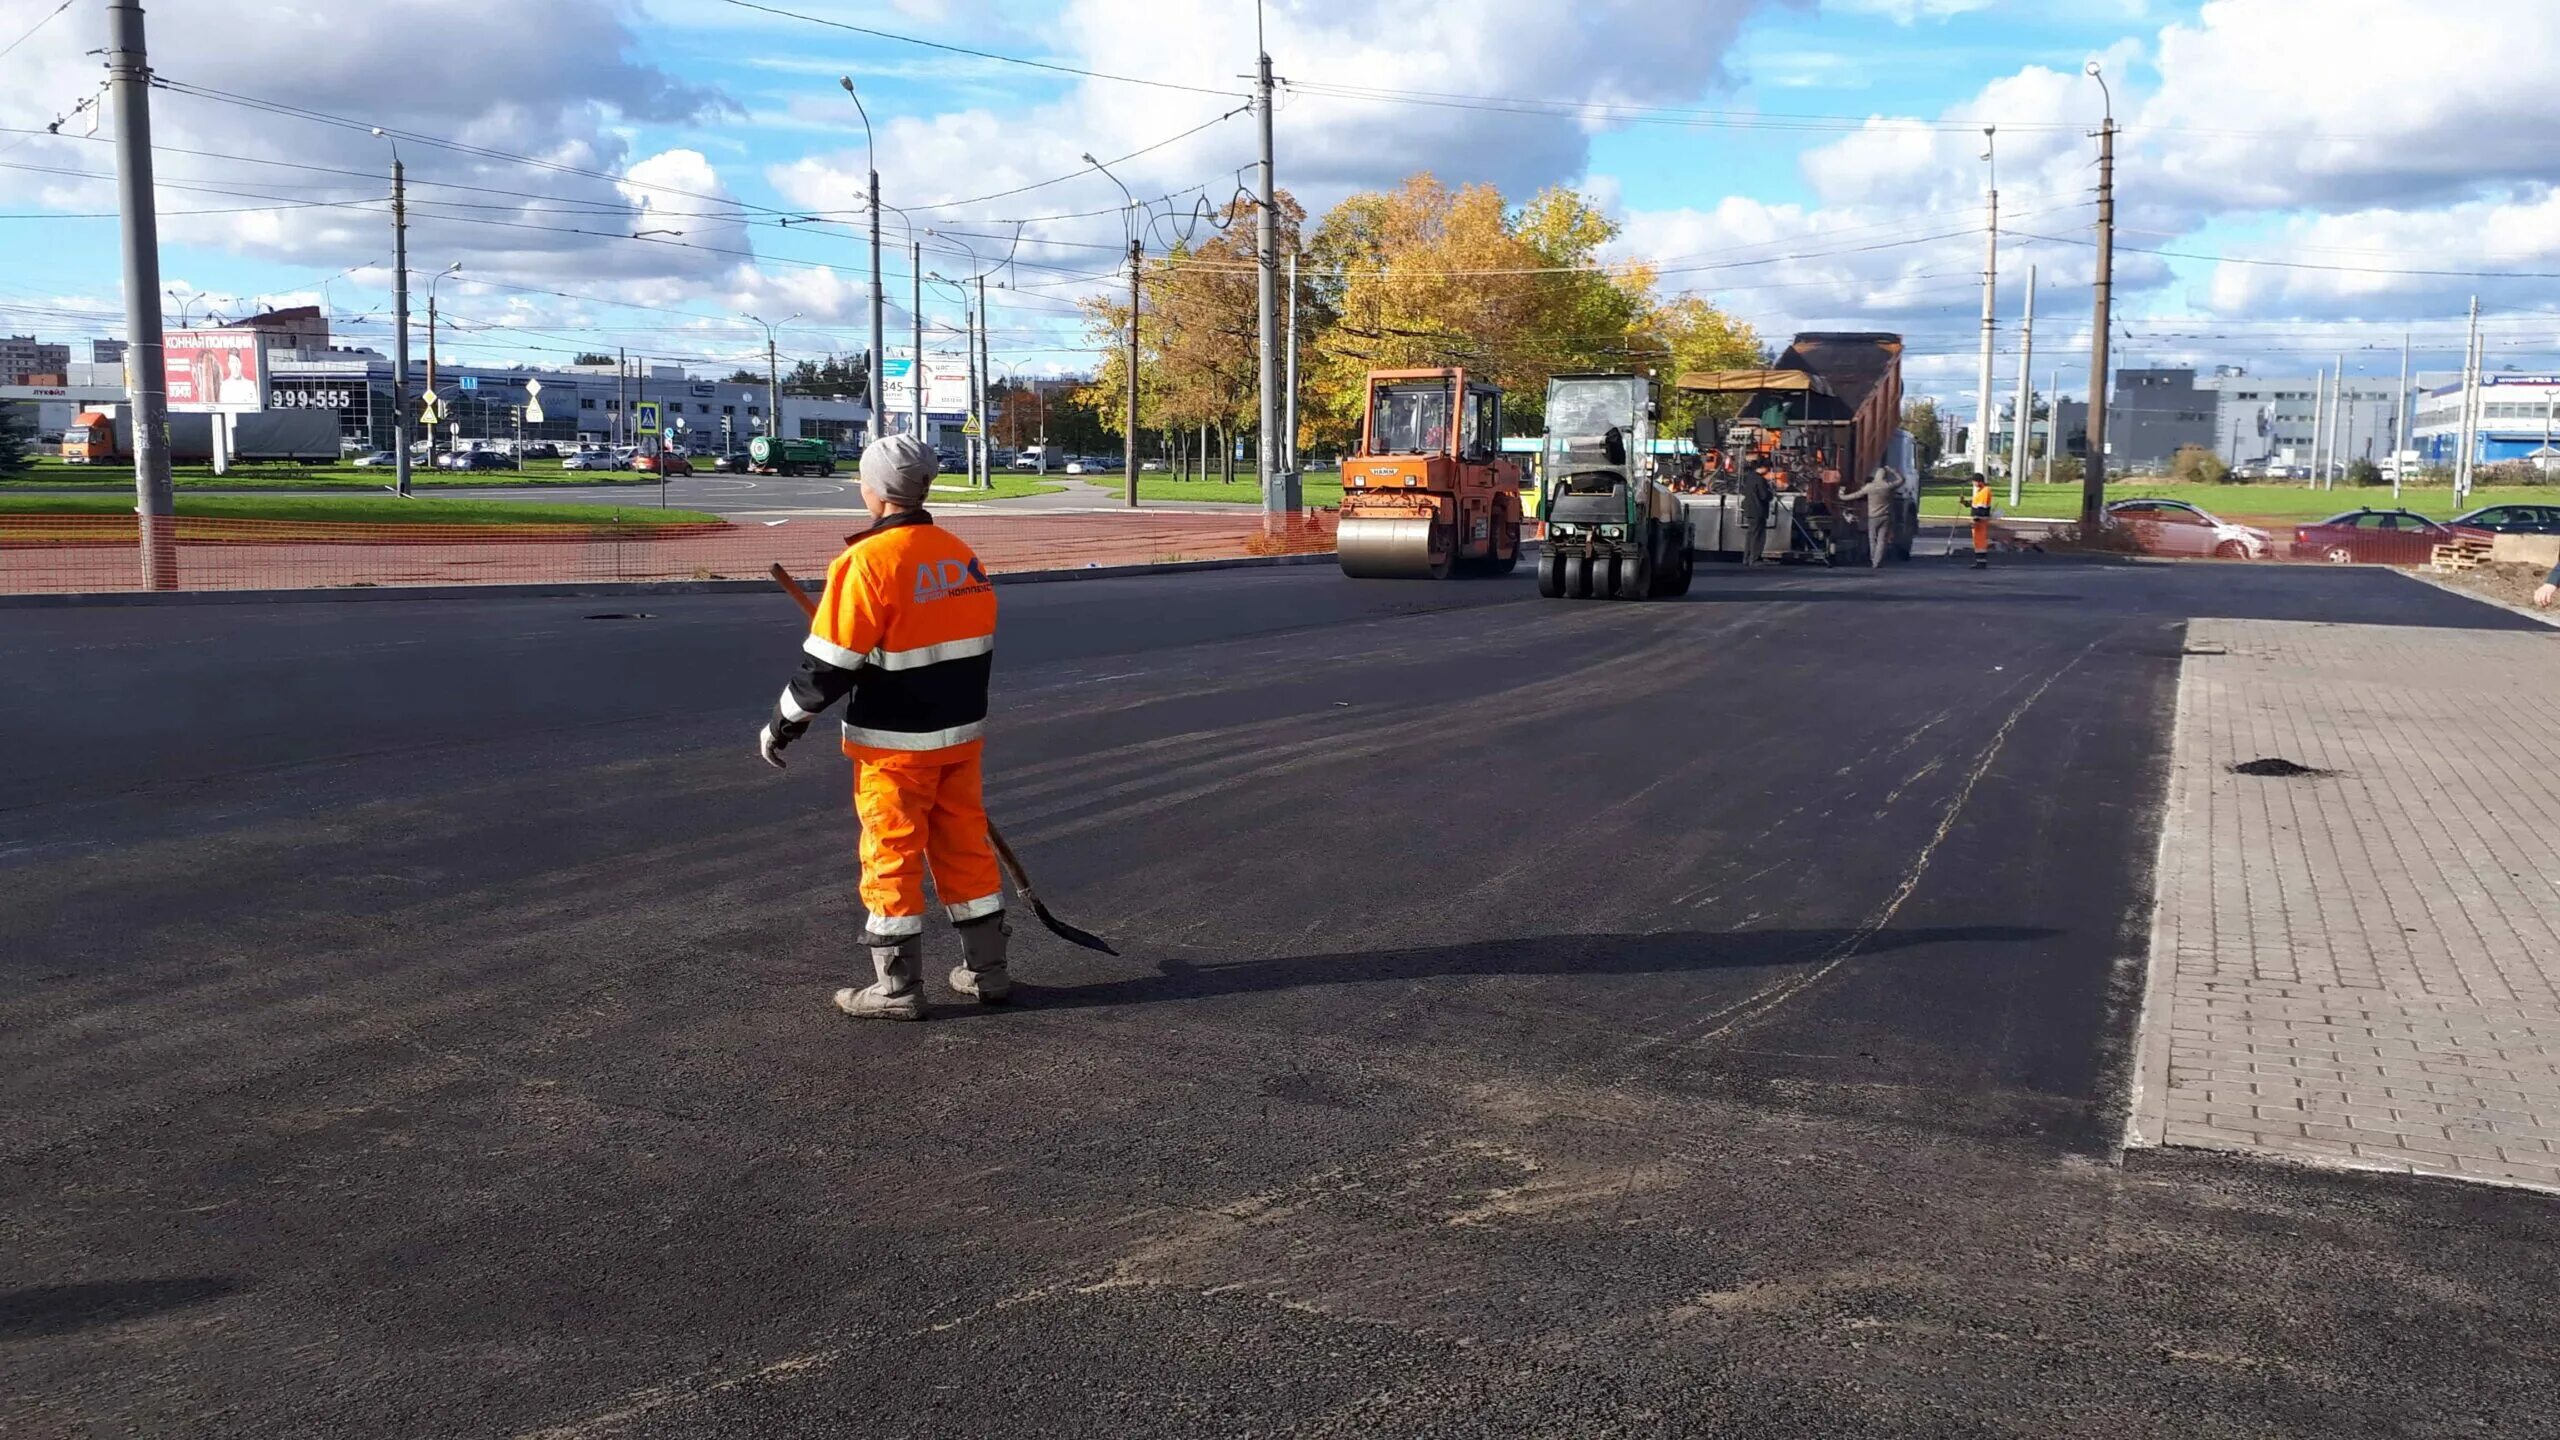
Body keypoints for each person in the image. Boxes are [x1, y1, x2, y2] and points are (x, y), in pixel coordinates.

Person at [757, 433, 1006, 1022]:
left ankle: (896, 989)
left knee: (891, 854)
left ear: (874, 491)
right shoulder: (960, 555)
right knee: (965, 846)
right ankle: (987, 971)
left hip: (896, 746)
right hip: (960, 736)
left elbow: (826, 668)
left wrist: (781, 725)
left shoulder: (865, 563)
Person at [1838, 465, 1900, 569]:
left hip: (1873, 517)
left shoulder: (1869, 487)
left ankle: (1873, 560)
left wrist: (1841, 493)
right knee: (1882, 540)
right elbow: (1902, 480)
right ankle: (1877, 561)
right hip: (1885, 516)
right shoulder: (1888, 486)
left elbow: (1853, 496)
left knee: (1872, 539)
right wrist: (1893, 471)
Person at [1740, 458, 1775, 565]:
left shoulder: (1749, 478)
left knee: (1750, 535)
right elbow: (1764, 496)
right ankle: (1755, 559)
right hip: (1758, 510)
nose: (1768, 471)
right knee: (1758, 536)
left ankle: (1746, 558)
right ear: (1764, 468)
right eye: (1768, 468)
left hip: (1749, 509)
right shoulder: (1760, 480)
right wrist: (1771, 493)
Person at [1969, 472, 1994, 570]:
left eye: (1974, 482)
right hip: (1978, 520)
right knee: (1978, 542)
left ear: (1978, 481)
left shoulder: (1985, 491)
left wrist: (1976, 519)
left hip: (1980, 521)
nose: (1973, 484)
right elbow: (1975, 504)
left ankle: (1981, 563)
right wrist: (1966, 503)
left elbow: (1981, 507)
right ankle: (1979, 561)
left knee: (1980, 542)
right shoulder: (1980, 491)